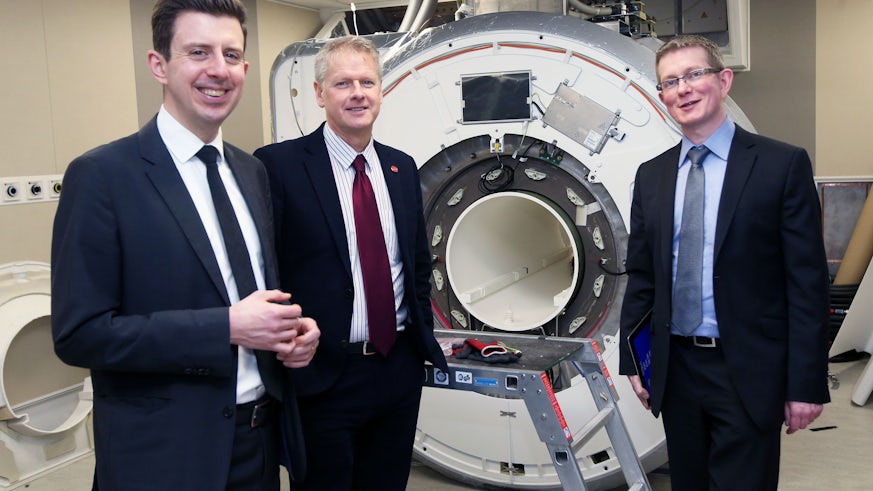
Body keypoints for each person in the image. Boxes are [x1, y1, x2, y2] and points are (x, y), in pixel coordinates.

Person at [50, 1, 319, 489]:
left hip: (258, 441)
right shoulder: (102, 177)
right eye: (198, 52)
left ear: (244, 69)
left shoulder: (250, 171)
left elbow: (248, 290)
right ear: (159, 65)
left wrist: (289, 332)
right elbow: (80, 335)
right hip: (165, 454)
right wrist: (226, 327)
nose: (218, 69)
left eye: (231, 55)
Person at [618, 34, 830, 490]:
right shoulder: (652, 176)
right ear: (662, 96)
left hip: (748, 369)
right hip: (677, 371)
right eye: (670, 81)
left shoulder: (780, 165)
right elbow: (642, 277)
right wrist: (634, 361)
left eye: (694, 74)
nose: (683, 89)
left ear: (724, 80)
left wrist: (806, 384)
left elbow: (807, 286)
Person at [253, 35, 448, 490]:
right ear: (320, 94)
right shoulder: (279, 166)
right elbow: (264, 269)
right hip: (323, 374)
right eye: (343, 83)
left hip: (396, 370)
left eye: (367, 82)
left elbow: (416, 265)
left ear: (380, 91)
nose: (357, 93)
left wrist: (417, 346)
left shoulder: (401, 168)